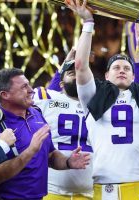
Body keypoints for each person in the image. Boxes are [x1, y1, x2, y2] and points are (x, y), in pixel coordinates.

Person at [66, 0, 139, 199]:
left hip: (138, 186)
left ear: (134, 76)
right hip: (102, 187)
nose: (122, 70)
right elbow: (80, 66)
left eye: (127, 68)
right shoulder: (93, 96)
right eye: (116, 67)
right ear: (106, 75)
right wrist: (88, 23)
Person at [0, 68, 90, 200]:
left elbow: (50, 155)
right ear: (5, 95)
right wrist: (30, 151)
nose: (31, 90)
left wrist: (67, 162)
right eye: (24, 87)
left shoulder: (36, 113)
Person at [33, 49, 94, 200]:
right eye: (71, 73)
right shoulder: (48, 97)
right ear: (61, 83)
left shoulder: (99, 102)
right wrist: (66, 64)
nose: (77, 74)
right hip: (53, 190)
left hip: (90, 192)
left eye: (80, 72)